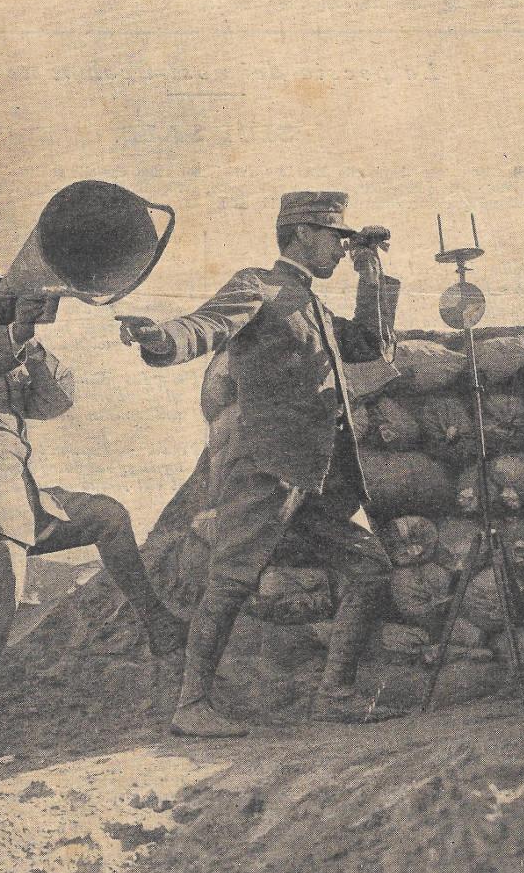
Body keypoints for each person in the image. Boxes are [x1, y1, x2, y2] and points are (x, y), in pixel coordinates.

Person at [0, 240, 186, 753]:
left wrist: (35, 347)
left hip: (20, 505)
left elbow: (54, 402)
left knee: (107, 516)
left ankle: (160, 626)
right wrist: (15, 332)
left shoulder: (4, 347)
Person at [117, 191, 401, 738]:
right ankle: (190, 706)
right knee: (231, 580)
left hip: (311, 475)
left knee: (368, 568)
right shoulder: (260, 285)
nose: (342, 250)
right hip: (266, 465)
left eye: (348, 242)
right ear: (300, 235)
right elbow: (207, 326)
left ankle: (335, 694)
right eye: (336, 239)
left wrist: (373, 275)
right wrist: (163, 339)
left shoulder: (312, 303)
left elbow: (370, 346)